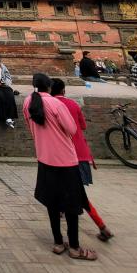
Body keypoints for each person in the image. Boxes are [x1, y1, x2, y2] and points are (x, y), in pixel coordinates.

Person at [23, 73, 97, 260]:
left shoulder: (28, 102)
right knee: (72, 206)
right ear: (49, 87)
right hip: (65, 161)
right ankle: (74, 247)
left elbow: (29, 125)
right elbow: (72, 130)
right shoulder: (57, 105)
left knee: (52, 203)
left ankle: (57, 242)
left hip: (44, 158)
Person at [50, 78, 113, 242]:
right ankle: (100, 226)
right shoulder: (73, 104)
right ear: (64, 90)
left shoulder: (50, 106)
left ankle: (101, 227)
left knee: (77, 196)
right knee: (73, 192)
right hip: (82, 155)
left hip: (64, 157)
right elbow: (82, 126)